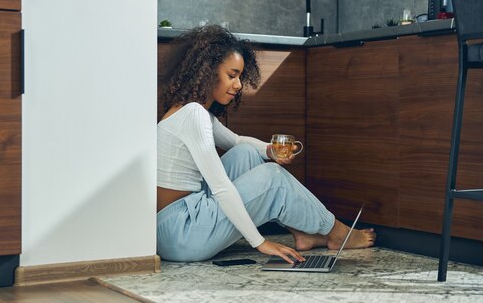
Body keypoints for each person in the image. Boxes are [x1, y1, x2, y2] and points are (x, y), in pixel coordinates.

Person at [157, 25, 376, 263]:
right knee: (273, 179)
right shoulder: (194, 115)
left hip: (170, 228)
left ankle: (302, 233)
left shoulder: (188, 111)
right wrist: (260, 242)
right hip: (182, 233)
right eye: (232, 76)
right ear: (208, 72)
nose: (239, 85)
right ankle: (338, 233)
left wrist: (270, 150)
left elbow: (237, 142)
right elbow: (221, 188)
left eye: (240, 76)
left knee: (245, 152)